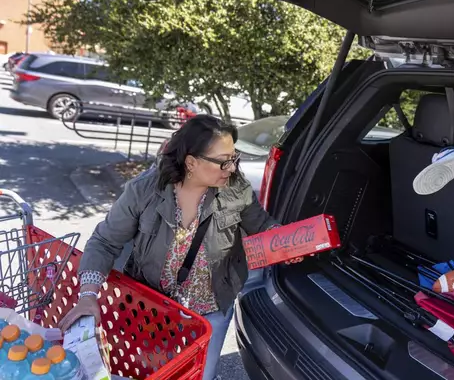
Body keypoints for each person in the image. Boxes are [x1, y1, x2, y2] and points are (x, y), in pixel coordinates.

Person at [58, 115, 299, 380]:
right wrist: (88, 295)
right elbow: (105, 241)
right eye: (223, 161)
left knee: (198, 375)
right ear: (191, 162)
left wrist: (286, 241)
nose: (231, 168)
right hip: (150, 310)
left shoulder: (236, 190)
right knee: (151, 372)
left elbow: (261, 224)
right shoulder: (144, 191)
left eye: (234, 158)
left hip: (211, 312)